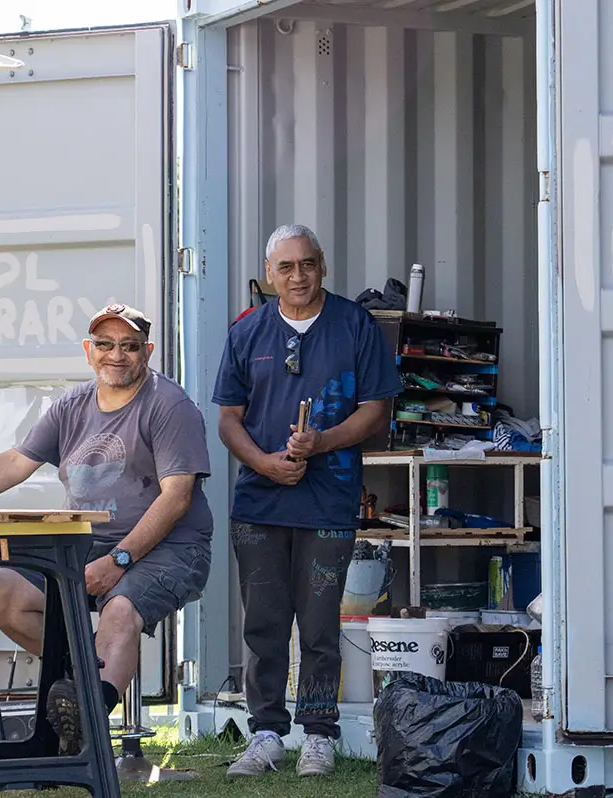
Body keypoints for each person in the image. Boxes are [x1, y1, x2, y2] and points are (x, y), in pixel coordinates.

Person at [0, 303, 213, 754]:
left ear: (148, 352)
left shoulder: (170, 405)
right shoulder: (72, 405)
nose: (116, 355)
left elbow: (177, 496)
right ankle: (82, 677)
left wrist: (120, 559)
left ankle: (86, 715)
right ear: (89, 351)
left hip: (168, 548)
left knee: (119, 610)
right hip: (83, 546)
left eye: (129, 346)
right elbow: (14, 462)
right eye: (105, 345)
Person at [212, 224, 401, 777]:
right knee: (263, 625)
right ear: (269, 275)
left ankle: (319, 734)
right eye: (286, 267)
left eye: (308, 264)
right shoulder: (247, 330)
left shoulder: (355, 325)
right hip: (259, 505)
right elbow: (227, 418)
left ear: (323, 266)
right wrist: (263, 462)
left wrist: (322, 442)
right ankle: (266, 734)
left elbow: (376, 410)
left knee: (319, 626)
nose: (298, 276)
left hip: (328, 499)